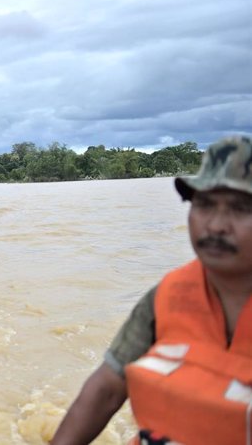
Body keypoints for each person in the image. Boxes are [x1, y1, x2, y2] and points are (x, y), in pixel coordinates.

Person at [51, 135, 252, 445]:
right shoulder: (169, 296)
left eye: (239, 208)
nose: (216, 225)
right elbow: (107, 389)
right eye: (204, 204)